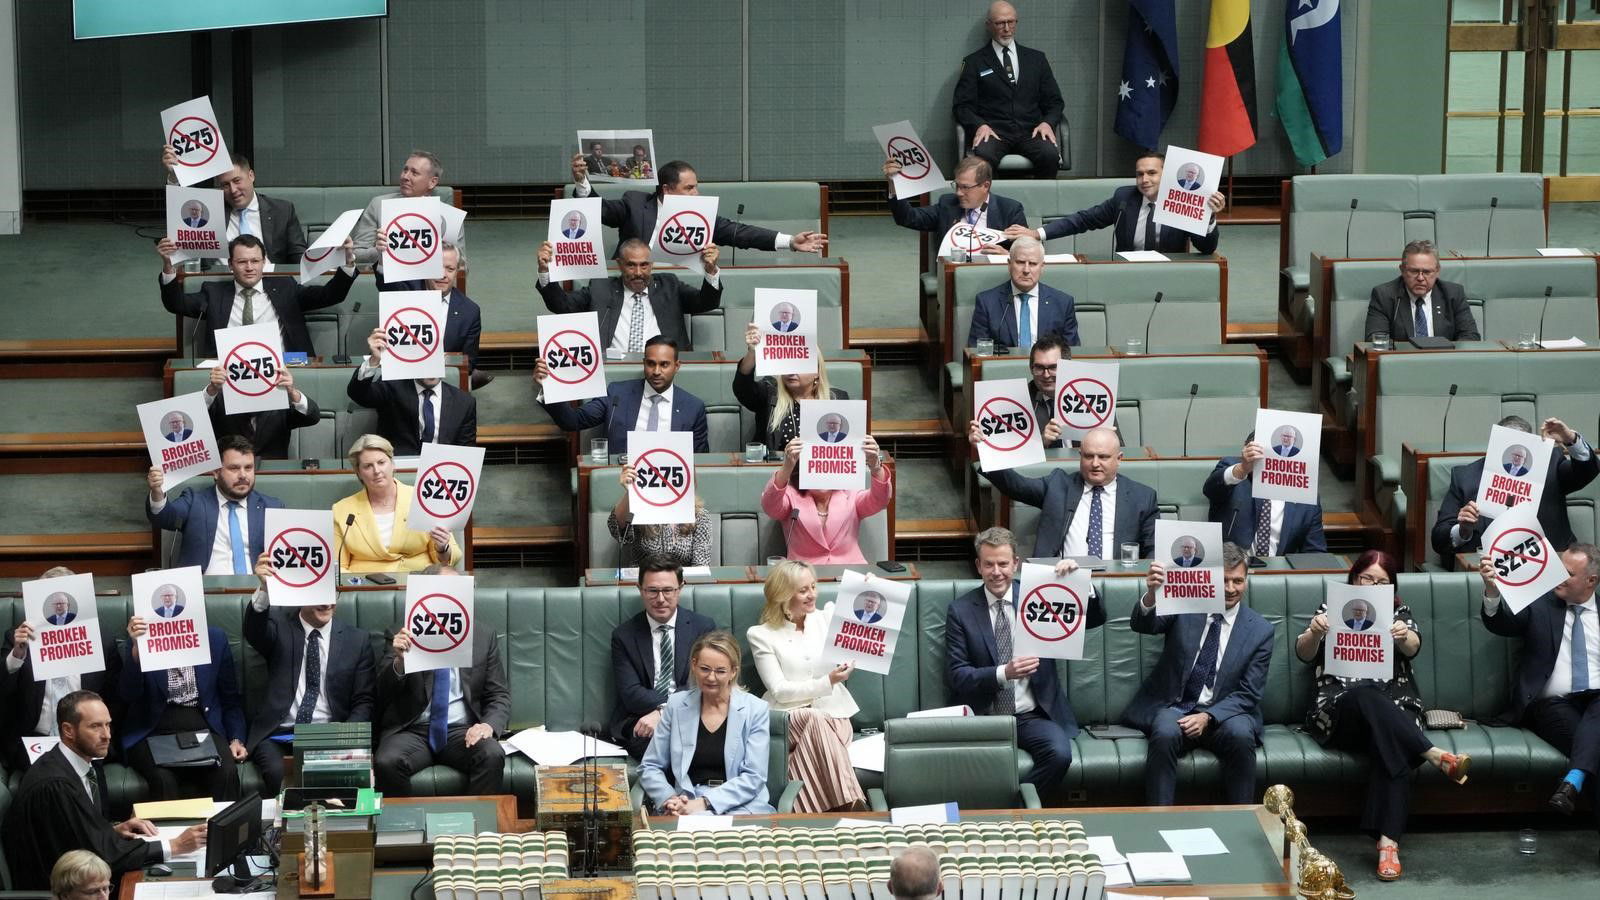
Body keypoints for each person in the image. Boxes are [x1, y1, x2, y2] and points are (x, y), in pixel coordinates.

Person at [1296, 551, 1470, 881]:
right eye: (1367, 579)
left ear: (1392, 587)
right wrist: (1316, 632)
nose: (1373, 586)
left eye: (1382, 581)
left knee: (1389, 741)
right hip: (1339, 710)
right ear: (1354, 579)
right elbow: (1304, 653)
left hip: (1395, 708)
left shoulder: (1398, 613)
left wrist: (1403, 635)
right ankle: (1432, 753)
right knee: (1365, 694)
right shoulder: (1331, 609)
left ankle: (1388, 846)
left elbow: (1414, 646)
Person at [945, 529, 1103, 803]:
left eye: (1003, 564)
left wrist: (1079, 583)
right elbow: (957, 675)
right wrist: (1004, 673)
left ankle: (1009, 810)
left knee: (1060, 754)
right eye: (989, 564)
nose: (996, 572)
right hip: (984, 717)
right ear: (978, 566)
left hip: (1032, 715)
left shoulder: (1041, 596)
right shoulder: (961, 610)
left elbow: (1094, 619)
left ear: (1015, 564)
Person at [1, 691, 206, 891]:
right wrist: (176, 845)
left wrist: (112, 830)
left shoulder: (82, 766)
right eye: (95, 727)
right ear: (68, 730)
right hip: (63, 888)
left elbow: (77, 833)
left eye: (108, 725)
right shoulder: (56, 786)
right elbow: (100, 855)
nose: (107, 735)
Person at [1125, 542, 1273, 806]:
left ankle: (1242, 822)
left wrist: (1208, 717)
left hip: (1225, 713)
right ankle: (1158, 821)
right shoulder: (1185, 605)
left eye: (1238, 581)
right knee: (1165, 731)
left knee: (1241, 735)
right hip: (1177, 707)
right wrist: (1152, 594)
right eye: (1224, 580)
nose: (1230, 589)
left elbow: (1249, 693)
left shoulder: (1261, 630)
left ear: (1247, 580)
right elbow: (1143, 624)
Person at [1479, 545, 1600, 822]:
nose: (1557, 576)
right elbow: (1500, 623)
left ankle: (1573, 782)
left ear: (1590, 581)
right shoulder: (1541, 604)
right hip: (1552, 706)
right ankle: (1576, 777)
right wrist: (1492, 591)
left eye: (1567, 573)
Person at [242, 551, 376, 797]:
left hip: (329, 734)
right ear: (301, 594)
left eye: (332, 595)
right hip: (280, 734)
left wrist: (345, 740)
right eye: (318, 596)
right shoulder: (278, 627)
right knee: (278, 773)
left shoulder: (358, 640)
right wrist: (264, 588)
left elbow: (363, 701)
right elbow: (254, 630)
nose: (327, 604)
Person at [746, 561, 867, 813]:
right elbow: (779, 690)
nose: (812, 594)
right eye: (803, 590)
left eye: (813, 586)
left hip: (836, 716)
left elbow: (867, 620)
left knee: (815, 730)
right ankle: (854, 806)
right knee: (814, 718)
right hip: (788, 719)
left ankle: (798, 815)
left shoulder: (827, 617)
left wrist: (867, 587)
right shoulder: (761, 634)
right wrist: (828, 682)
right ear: (782, 594)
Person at [569, 156, 827, 256]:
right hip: (631, 278)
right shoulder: (635, 203)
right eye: (689, 188)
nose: (697, 193)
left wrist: (791, 241)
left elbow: (741, 233)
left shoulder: (699, 215)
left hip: (675, 286)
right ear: (667, 190)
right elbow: (601, 212)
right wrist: (583, 183)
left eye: (696, 187)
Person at [638, 630, 774, 816]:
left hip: (741, 805)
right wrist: (670, 799)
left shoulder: (755, 709)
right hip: (687, 801)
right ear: (694, 665)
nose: (711, 677)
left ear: (733, 671)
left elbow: (754, 777)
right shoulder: (676, 705)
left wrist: (705, 803)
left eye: (720, 671)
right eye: (705, 669)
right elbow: (650, 766)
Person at [1432, 416, 1596, 569]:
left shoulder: (1550, 464)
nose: (1515, 455)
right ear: (1494, 445)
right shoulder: (1466, 477)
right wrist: (1463, 531)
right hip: (1493, 570)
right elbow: (1439, 539)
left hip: (1547, 566)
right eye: (1508, 446)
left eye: (1522, 447)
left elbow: (1587, 472)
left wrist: (1570, 439)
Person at [1, 568, 123, 772]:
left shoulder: (101, 641)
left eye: (63, 601)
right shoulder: (18, 638)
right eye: (53, 602)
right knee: (45, 785)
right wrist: (17, 655)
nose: (58, 606)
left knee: (90, 789)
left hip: (85, 739)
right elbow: (3, 692)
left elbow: (117, 697)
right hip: (35, 738)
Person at [970, 424, 1157, 558]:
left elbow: (1153, 548)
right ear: (1080, 456)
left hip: (1116, 580)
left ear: (1119, 458)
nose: (1095, 463)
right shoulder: (1058, 485)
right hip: (1061, 580)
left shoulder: (1142, 497)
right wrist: (984, 450)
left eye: (1104, 457)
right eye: (1089, 456)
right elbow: (1016, 486)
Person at [158, 234, 357, 357]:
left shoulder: (285, 287)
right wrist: (168, 266)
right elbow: (176, 304)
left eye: (255, 261)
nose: (250, 267)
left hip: (281, 370)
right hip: (231, 373)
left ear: (264, 262)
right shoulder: (214, 292)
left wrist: (347, 263)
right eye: (242, 262)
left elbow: (330, 295)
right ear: (230, 265)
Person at [119, 612, 247, 801]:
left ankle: (222, 831)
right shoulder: (141, 638)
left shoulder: (215, 639)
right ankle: (171, 832)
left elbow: (230, 700)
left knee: (225, 772)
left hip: (203, 726)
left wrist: (236, 739)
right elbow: (127, 695)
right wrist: (137, 654)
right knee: (163, 779)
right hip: (153, 729)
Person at [1004, 150, 1225, 254]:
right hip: (1127, 274)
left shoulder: (1181, 201)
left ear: (1166, 175)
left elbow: (1207, 248)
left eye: (1151, 173)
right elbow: (1083, 220)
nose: (1144, 180)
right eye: (1139, 174)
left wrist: (1209, 218)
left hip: (1168, 276)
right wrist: (1037, 233)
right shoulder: (1124, 199)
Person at [608, 557, 717, 759]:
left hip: (692, 713)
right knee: (655, 741)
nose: (660, 599)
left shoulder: (702, 627)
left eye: (668, 590)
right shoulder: (624, 636)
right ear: (640, 589)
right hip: (641, 718)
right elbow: (631, 693)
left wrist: (664, 711)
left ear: (680, 588)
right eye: (652, 591)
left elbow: (703, 683)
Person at [536, 237, 722, 352]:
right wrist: (545, 271)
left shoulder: (669, 285)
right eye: (631, 265)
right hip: (614, 369)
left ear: (652, 264)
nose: (639, 272)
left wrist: (711, 270)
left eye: (644, 265)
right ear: (619, 264)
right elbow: (562, 306)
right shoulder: (601, 288)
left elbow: (706, 303)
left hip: (663, 368)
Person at [536, 336, 710, 456]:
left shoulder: (693, 407)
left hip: (670, 485)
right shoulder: (617, 394)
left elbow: (699, 460)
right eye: (651, 364)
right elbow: (572, 421)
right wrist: (549, 386)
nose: (656, 371)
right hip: (621, 481)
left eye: (664, 365)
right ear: (644, 363)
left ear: (677, 366)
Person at [951, 2, 1064, 180]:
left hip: (1031, 131)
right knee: (983, 159)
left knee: (1049, 154)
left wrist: (1047, 123)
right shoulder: (974, 62)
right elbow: (962, 106)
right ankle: (993, 206)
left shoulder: (1037, 59)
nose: (1006, 28)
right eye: (1000, 23)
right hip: (994, 132)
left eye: (1011, 22)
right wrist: (980, 125)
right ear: (989, 25)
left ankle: (1041, 205)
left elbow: (1055, 101)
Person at [146, 435, 283, 573]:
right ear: (216, 472)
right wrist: (157, 491)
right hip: (205, 591)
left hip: (257, 590)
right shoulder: (195, 501)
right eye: (234, 468)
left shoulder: (272, 508)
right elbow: (163, 517)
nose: (243, 475)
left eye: (248, 468)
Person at [333, 434, 463, 574]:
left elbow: (448, 560)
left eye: (381, 462)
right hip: (365, 585)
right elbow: (338, 565)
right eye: (368, 466)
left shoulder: (423, 499)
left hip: (418, 578)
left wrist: (442, 547)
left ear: (393, 464)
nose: (377, 471)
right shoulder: (342, 509)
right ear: (358, 472)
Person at [761, 435, 893, 565]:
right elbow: (770, 506)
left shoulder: (851, 494)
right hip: (804, 577)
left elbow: (880, 500)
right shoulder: (791, 496)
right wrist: (787, 468)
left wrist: (875, 466)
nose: (821, 473)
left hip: (850, 573)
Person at [162, 149, 308, 265]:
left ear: (251, 175)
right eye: (225, 185)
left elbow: (299, 257)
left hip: (269, 285)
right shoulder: (209, 209)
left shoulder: (282, 210)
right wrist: (175, 176)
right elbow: (180, 204)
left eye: (237, 180)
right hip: (221, 286)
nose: (233, 190)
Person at [347, 328, 478, 456]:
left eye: (435, 360)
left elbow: (466, 451)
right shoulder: (392, 388)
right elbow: (358, 394)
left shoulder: (464, 402)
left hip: (440, 470)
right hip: (399, 468)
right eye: (424, 361)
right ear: (412, 362)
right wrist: (374, 360)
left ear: (444, 360)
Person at [376, 243, 488, 387]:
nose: (443, 274)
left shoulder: (470, 311)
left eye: (450, 269)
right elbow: (385, 283)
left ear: (457, 271)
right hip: (402, 383)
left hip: (443, 385)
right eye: (437, 268)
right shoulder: (406, 292)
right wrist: (382, 256)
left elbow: (469, 363)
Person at [1204, 433, 1329, 556]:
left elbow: (1315, 552)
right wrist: (1243, 469)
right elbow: (1210, 490)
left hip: (1278, 572)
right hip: (1231, 568)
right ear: (1245, 450)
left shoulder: (1305, 495)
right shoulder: (1233, 468)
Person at [734, 322, 851, 452]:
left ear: (817, 372)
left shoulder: (837, 399)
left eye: (799, 365)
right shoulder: (770, 392)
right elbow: (743, 389)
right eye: (787, 365)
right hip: (777, 469)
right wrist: (752, 353)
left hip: (819, 470)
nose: (791, 371)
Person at [969, 237, 1078, 350]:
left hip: (1047, 367)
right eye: (1020, 262)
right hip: (1005, 366)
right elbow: (977, 351)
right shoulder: (987, 302)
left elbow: (1071, 353)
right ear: (1009, 264)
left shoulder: (1063, 303)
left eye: (1033, 264)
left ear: (1042, 267)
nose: (1026, 270)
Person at [885, 156, 1027, 244]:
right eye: (957, 186)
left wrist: (1006, 256)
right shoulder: (947, 205)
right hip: (952, 276)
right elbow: (907, 218)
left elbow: (1027, 250)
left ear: (985, 186)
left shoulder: (1010, 210)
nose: (959, 193)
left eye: (965, 187)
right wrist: (894, 182)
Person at [352, 151, 456, 268]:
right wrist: (379, 251)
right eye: (405, 170)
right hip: (388, 280)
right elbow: (357, 253)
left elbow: (460, 262)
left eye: (414, 173)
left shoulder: (448, 216)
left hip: (430, 280)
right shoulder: (378, 205)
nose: (405, 177)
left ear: (432, 182)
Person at [1363, 240, 1479, 342]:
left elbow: (1470, 336)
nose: (1420, 278)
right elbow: (1375, 339)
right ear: (1402, 270)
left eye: (1427, 272)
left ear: (1437, 271)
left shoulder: (1453, 294)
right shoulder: (1384, 296)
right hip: (1402, 363)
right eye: (1414, 271)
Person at [198, 363, 321, 459]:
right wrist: (212, 389)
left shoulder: (280, 402)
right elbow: (195, 418)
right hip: (231, 474)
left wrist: (292, 392)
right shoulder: (220, 400)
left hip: (272, 474)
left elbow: (312, 417)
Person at [610, 463, 713, 568]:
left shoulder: (699, 516)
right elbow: (617, 530)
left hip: (682, 581)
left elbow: (701, 567)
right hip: (643, 579)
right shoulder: (639, 509)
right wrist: (632, 491)